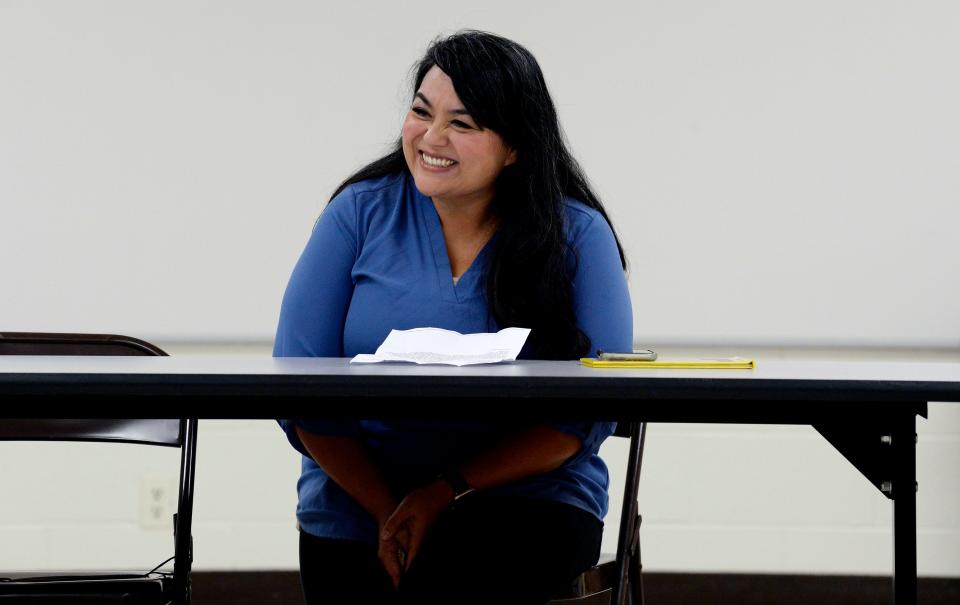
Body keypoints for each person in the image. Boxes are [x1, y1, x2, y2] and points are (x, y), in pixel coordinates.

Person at [274, 30, 633, 605]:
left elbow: (586, 413)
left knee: (451, 568)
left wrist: (443, 493)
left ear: (515, 147)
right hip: (357, 501)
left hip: (526, 499)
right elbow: (300, 388)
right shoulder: (359, 213)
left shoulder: (576, 235)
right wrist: (390, 512)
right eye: (421, 112)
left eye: (462, 124)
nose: (431, 137)